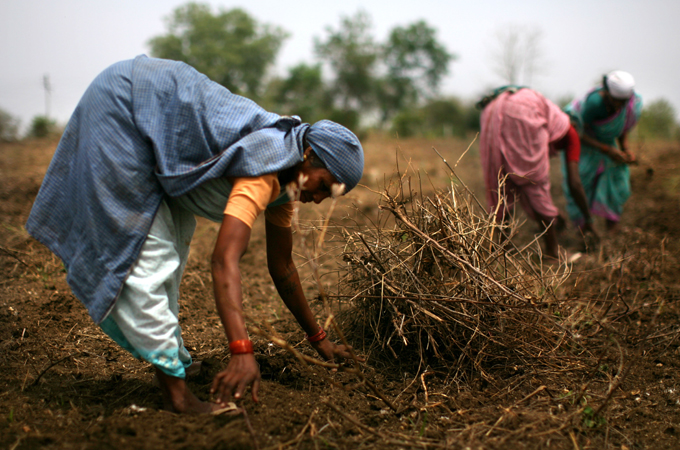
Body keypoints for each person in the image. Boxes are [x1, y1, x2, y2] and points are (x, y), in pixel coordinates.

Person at [25, 55, 364, 413]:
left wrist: (319, 340)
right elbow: (223, 261)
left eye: (331, 195)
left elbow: (281, 266)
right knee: (147, 258)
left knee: (174, 250)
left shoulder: (288, 183)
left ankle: (174, 360)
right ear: (308, 154)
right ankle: (177, 397)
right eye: (324, 184)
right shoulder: (264, 169)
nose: (319, 199)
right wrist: (241, 351)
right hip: (125, 106)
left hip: (152, 116)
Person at [477, 86, 596, 260]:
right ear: (574, 124)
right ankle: (553, 252)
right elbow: (574, 183)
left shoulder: (549, 115)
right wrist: (588, 220)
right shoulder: (571, 131)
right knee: (535, 182)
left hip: (491, 109)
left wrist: (555, 216)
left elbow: (516, 176)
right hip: (523, 111)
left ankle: (503, 250)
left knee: (501, 181)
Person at [561, 70, 642, 233]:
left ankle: (612, 227)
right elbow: (578, 133)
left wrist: (624, 149)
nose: (619, 106)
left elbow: (621, 125)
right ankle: (584, 230)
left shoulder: (631, 104)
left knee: (617, 179)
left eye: (623, 102)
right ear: (607, 92)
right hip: (584, 143)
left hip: (607, 143)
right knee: (581, 182)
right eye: (616, 101)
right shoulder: (594, 104)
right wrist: (606, 149)